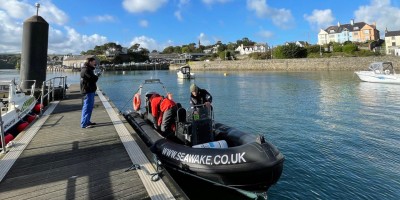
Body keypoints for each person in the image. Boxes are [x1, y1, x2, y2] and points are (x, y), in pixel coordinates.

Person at [80, 57, 99, 128]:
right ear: (90, 62)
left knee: (90, 107)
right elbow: (93, 79)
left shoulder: (87, 69)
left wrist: (95, 74)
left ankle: (87, 121)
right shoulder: (86, 70)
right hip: (88, 91)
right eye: (94, 62)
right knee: (87, 107)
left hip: (90, 90)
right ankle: (84, 124)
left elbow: (92, 78)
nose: (95, 63)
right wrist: (97, 75)